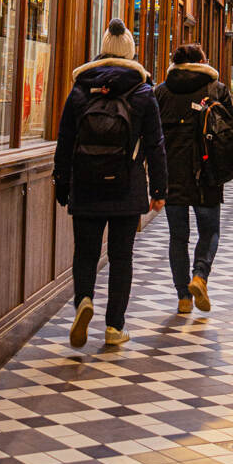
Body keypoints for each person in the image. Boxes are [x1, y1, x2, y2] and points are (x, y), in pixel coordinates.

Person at [53, 19, 167, 348]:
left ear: (102, 50)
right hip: (127, 186)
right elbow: (156, 145)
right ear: (131, 52)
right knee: (121, 258)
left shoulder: (79, 89)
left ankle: (84, 301)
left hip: (85, 185)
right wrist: (159, 190)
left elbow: (65, 140)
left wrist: (63, 184)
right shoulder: (143, 92)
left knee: (86, 254)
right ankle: (115, 327)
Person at [153, 43, 233, 314]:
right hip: (206, 173)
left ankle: (183, 297)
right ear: (202, 61)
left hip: (171, 173)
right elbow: (230, 132)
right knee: (209, 231)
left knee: (178, 237)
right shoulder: (217, 89)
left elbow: (152, 138)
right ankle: (200, 274)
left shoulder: (161, 92)